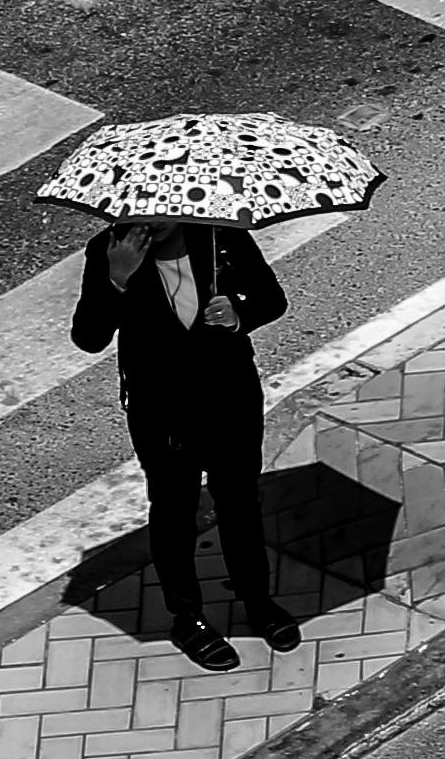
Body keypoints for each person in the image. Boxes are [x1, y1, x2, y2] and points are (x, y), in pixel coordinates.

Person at [70, 217, 293, 671]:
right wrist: (117, 278)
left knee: (240, 502)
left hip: (230, 396)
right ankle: (187, 618)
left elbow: (272, 300)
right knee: (174, 510)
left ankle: (258, 600)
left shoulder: (222, 238)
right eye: (140, 215)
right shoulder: (111, 251)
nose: (150, 224)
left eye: (161, 215)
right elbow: (88, 337)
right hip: (162, 409)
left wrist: (238, 316)